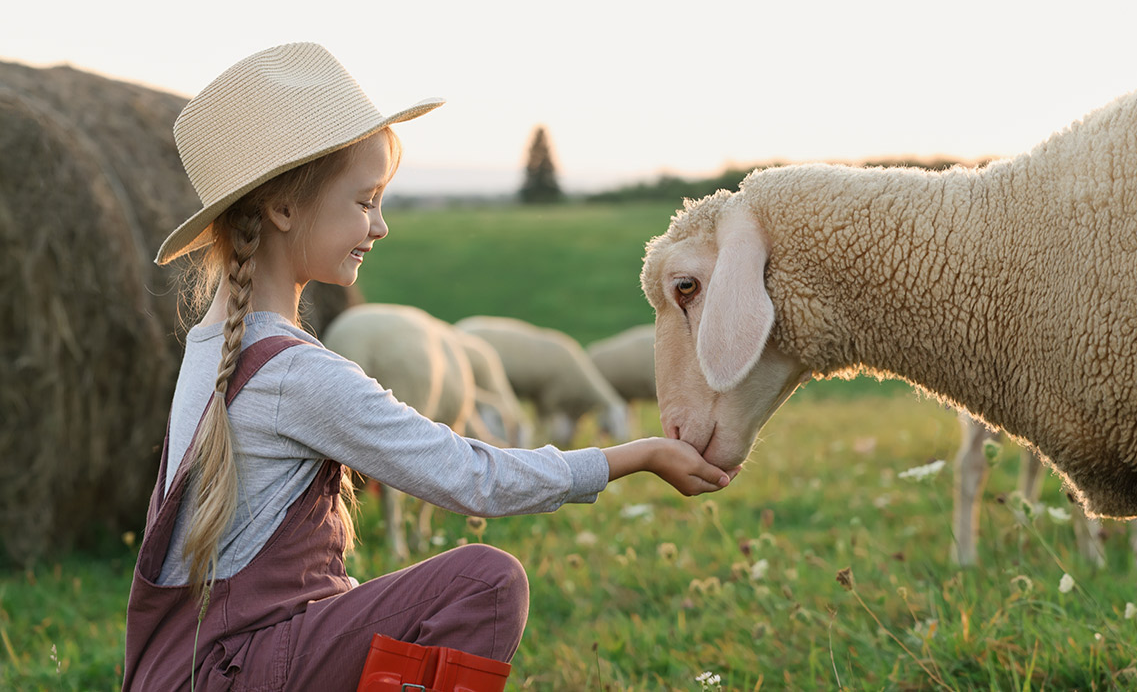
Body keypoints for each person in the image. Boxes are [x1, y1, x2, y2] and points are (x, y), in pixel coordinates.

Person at [122, 42, 733, 692]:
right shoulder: (293, 374)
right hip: (234, 669)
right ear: (283, 208)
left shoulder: (212, 345)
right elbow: (469, 475)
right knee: (485, 584)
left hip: (192, 669)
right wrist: (631, 456)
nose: (380, 225)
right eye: (364, 201)